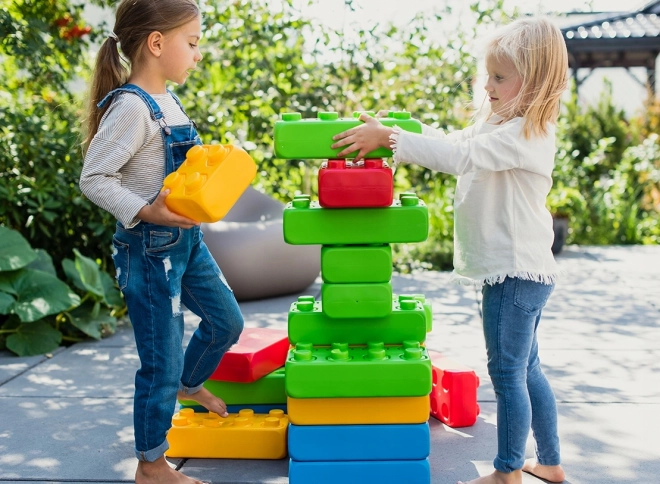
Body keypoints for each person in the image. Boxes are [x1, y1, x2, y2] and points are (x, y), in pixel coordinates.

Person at [332, 16, 568, 484]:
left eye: (500, 77)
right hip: (522, 273)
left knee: (507, 373)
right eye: (488, 75)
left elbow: (459, 158)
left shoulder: (525, 135)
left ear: (536, 82)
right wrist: (401, 130)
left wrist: (392, 139)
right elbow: (454, 142)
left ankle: (506, 473)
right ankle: (550, 462)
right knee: (528, 370)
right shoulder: (501, 126)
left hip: (513, 274)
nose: (488, 85)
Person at [80, 1, 244, 483]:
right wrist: (147, 209)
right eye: (191, 43)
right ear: (156, 43)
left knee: (225, 322)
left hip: (186, 244)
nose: (197, 55)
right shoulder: (132, 107)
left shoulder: (168, 100)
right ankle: (152, 465)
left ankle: (187, 385)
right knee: (160, 363)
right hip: (148, 250)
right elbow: (95, 178)